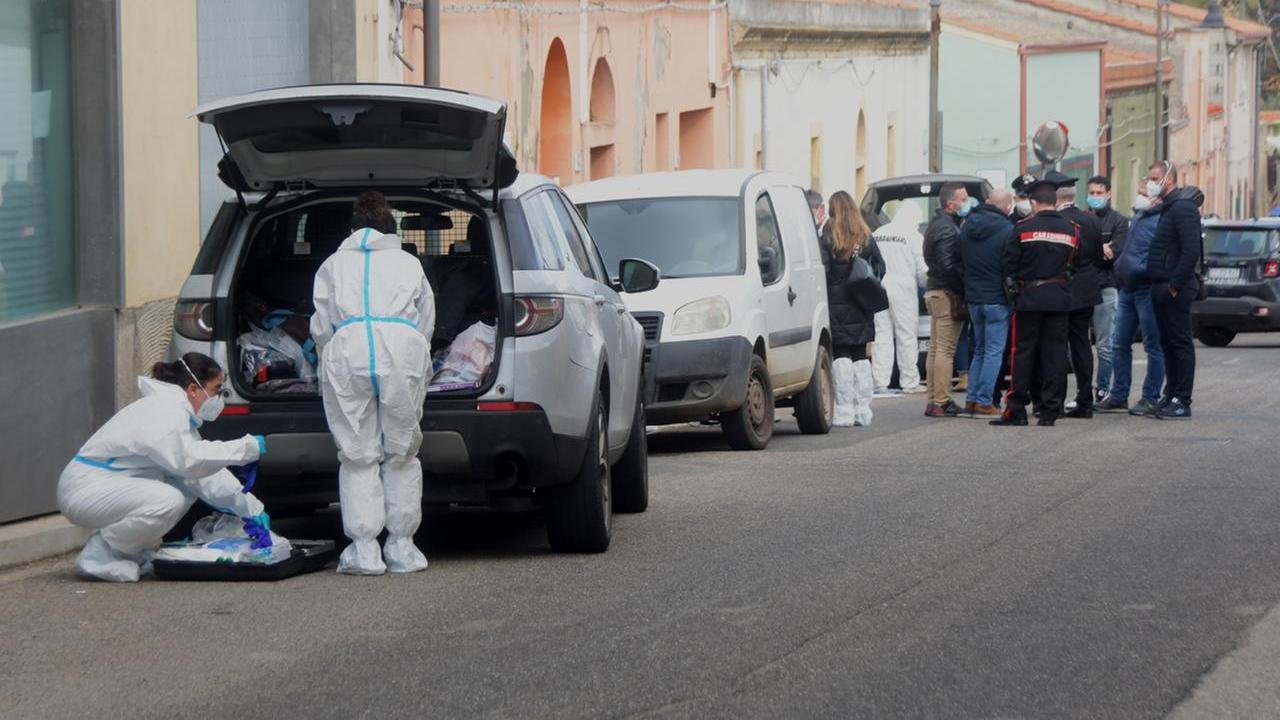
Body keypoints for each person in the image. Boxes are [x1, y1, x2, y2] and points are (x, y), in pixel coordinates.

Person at [57, 354, 268, 582]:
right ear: (193, 389)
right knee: (168, 500)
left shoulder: (174, 412)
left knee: (182, 490)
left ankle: (127, 551)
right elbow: (190, 461)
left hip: (103, 485)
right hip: (84, 489)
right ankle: (100, 555)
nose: (219, 399)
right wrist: (245, 448)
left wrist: (250, 509)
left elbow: (201, 477)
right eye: (216, 390)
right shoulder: (164, 412)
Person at [311, 191, 435, 575]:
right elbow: (426, 319)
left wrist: (326, 361)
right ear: (391, 230)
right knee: (401, 450)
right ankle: (402, 548)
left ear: (351, 230)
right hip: (402, 352)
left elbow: (321, 326)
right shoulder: (409, 263)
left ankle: (364, 552)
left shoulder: (332, 265)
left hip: (346, 351)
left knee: (357, 453)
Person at [991, 178, 1077, 427]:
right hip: (1059, 297)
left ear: (1033, 202)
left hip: (1029, 297)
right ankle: (1050, 410)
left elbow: (1009, 265)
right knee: (1055, 355)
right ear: (1055, 201)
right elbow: (1076, 262)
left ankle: (1016, 409)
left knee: (1022, 354)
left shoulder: (1022, 228)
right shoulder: (1072, 230)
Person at [1098, 186, 1166, 416]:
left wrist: (1141, 270)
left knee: (1153, 345)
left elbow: (1160, 254)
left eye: (1144, 192)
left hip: (1146, 288)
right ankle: (1119, 396)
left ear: (1156, 198)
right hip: (1127, 288)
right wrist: (1121, 267)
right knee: (1119, 343)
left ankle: (1150, 397)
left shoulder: (1162, 219)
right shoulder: (1138, 216)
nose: (1139, 196)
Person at [1144, 161, 1205, 420]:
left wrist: (1174, 285)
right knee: (1167, 343)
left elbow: (1191, 251)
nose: (1150, 183)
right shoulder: (1168, 208)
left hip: (1174, 288)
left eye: (1154, 178)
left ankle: (1182, 399)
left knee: (1180, 343)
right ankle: (1170, 394)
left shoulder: (1183, 208)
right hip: (1160, 285)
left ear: (1169, 179)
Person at [822, 190, 885, 427]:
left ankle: (844, 411)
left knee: (841, 356)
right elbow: (881, 268)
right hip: (862, 303)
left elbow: (822, 272)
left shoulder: (829, 237)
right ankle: (863, 410)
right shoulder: (865, 235)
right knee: (860, 355)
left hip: (836, 306)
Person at [959, 188, 1015, 415]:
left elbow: (960, 261)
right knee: (993, 351)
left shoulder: (967, 226)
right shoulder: (1007, 229)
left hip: (974, 297)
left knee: (980, 350)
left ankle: (971, 399)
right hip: (996, 298)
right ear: (1006, 206)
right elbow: (1009, 265)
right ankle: (984, 400)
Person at [1055, 176, 1106, 419]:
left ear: (1056, 196)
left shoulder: (1056, 221)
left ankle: (1055, 401)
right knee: (1082, 345)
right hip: (1085, 288)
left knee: (1056, 345)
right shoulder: (1091, 219)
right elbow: (1098, 256)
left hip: (1061, 287)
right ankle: (1085, 400)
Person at [922, 182, 972, 417]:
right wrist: (961, 289)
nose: (967, 202)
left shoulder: (937, 224)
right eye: (964, 199)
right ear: (951, 204)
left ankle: (934, 399)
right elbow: (947, 265)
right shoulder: (947, 228)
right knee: (945, 349)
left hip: (935, 290)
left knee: (936, 349)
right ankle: (941, 401)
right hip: (946, 293)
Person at [870, 201, 929, 396]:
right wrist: (926, 287)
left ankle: (880, 382)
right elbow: (922, 270)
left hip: (879, 287)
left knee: (882, 335)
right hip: (904, 289)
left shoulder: (878, 233)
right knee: (906, 335)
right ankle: (909, 381)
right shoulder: (914, 236)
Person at [1087, 176, 1130, 403]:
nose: (1095, 197)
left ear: (1108, 194)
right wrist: (1100, 248)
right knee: (1080, 344)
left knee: (1104, 344)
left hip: (1106, 286)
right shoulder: (1083, 219)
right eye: (1091, 193)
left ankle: (1102, 389)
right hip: (1083, 287)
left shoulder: (1119, 221)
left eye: (1099, 193)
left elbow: (1113, 253)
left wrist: (1091, 250)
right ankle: (1083, 391)